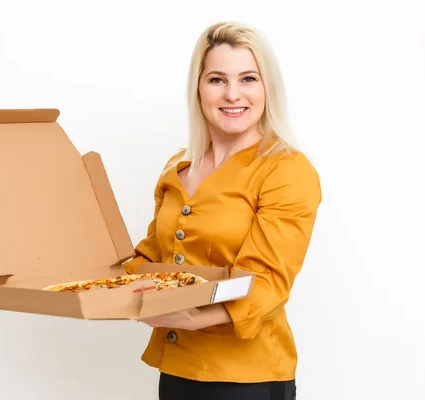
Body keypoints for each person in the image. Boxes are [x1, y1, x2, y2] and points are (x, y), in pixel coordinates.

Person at [121, 21, 322, 400]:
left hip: (247, 379)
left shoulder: (286, 170)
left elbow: (268, 281)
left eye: (248, 78)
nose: (233, 94)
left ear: (267, 88)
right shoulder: (177, 167)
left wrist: (193, 317)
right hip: (177, 370)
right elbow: (149, 258)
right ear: (198, 88)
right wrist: (97, 281)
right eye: (217, 79)